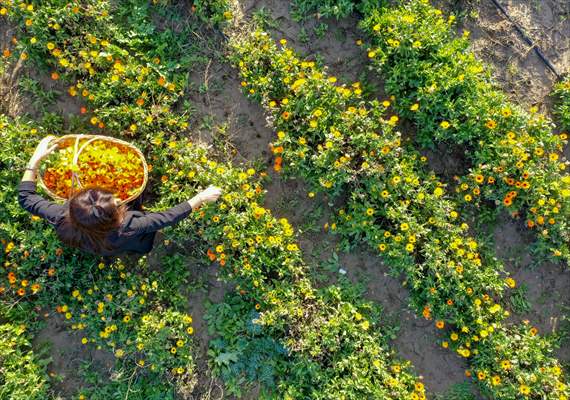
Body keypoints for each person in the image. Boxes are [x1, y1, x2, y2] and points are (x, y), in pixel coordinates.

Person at [18, 136, 222, 257]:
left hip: (97, 246)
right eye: (116, 204)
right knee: (142, 242)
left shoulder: (61, 217)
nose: (117, 200)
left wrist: (34, 161)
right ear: (114, 218)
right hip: (130, 242)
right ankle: (142, 248)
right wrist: (201, 198)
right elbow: (166, 217)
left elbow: (26, 198)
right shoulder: (129, 227)